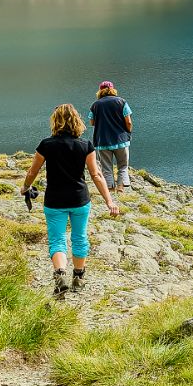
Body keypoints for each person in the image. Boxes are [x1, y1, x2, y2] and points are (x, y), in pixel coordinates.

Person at [20, 102, 117, 295]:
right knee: (79, 237)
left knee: (57, 239)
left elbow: (33, 171)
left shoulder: (46, 145)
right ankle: (78, 278)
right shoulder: (85, 145)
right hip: (80, 200)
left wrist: (25, 187)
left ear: (55, 121)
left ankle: (60, 274)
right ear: (76, 121)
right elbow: (96, 175)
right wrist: (109, 201)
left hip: (55, 201)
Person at [90, 79, 133, 190]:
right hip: (121, 140)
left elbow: (92, 122)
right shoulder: (122, 102)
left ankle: (109, 189)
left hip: (102, 141)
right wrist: (128, 132)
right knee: (123, 166)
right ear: (113, 89)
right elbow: (128, 121)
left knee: (106, 167)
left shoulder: (95, 105)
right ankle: (120, 187)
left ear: (100, 91)